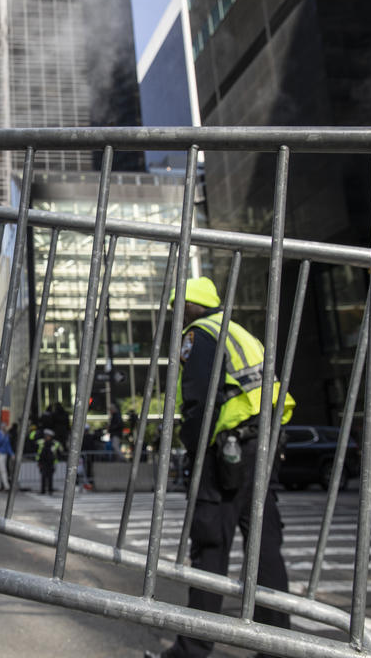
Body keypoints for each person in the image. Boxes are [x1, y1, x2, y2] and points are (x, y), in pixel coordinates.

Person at [145, 277, 294, 658]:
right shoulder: (240, 332)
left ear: (191, 306)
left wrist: (193, 450)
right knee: (265, 546)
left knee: (210, 546)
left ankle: (193, 649)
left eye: (178, 309)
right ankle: (276, 646)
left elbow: (200, 401)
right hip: (262, 445)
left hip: (225, 453)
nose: (176, 318)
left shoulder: (199, 335)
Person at [36, 428, 64, 495]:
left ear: (51, 436)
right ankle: (43, 490)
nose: (47, 437)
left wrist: (58, 457)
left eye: (48, 436)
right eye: (46, 435)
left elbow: (60, 451)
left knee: (50, 477)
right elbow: (37, 450)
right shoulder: (41, 442)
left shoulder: (55, 443)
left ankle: (50, 490)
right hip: (43, 462)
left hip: (51, 462)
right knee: (43, 476)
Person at [0, 422, 14, 491]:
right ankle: (6, 486)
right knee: (3, 470)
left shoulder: (6, 434)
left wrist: (11, 454)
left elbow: (8, 445)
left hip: (5, 454)